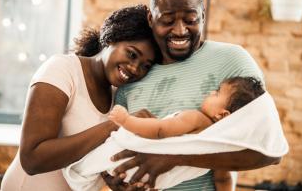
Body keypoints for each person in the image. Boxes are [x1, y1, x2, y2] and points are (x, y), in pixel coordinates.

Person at [101, 0, 284, 190]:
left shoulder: (233, 61)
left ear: (203, 15)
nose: (180, 30)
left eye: (190, 19)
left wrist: (174, 157)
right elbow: (120, 147)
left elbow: (269, 151)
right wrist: (117, 181)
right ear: (151, 18)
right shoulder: (133, 75)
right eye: (168, 20)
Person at [0, 5, 161, 191]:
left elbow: (94, 159)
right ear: (112, 38)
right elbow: (32, 159)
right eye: (132, 54)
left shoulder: (119, 95)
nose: (135, 68)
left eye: (145, 66)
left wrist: (113, 180)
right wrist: (114, 125)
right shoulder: (62, 70)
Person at [109, 76, 265, 191]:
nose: (211, 91)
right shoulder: (222, 147)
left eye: (217, 93)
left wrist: (126, 120)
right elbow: (223, 179)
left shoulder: (196, 118)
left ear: (222, 115)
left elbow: (160, 130)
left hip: (126, 161)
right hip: (151, 183)